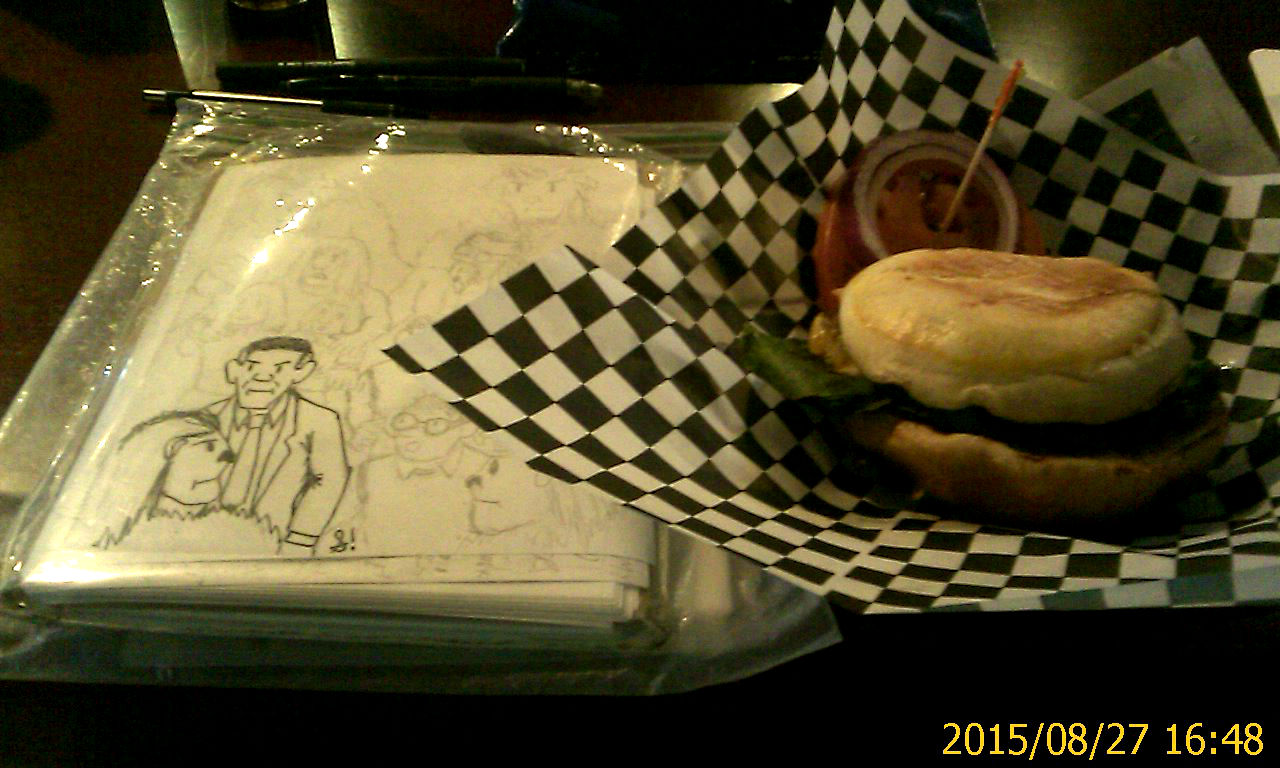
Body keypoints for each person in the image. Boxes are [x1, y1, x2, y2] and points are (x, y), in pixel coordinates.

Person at [207, 336, 350, 553]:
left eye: (279, 369)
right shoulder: (207, 417)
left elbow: (328, 481)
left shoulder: (318, 420)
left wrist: (300, 541)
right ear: (233, 370)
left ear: (301, 373)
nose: (262, 377)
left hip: (275, 542)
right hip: (204, 538)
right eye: (251, 367)